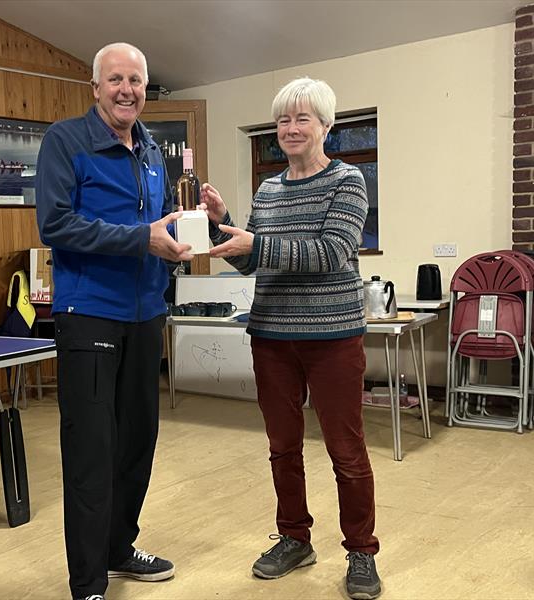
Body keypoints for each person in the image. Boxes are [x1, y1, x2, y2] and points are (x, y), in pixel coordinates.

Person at [201, 77, 381, 600]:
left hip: (332, 338)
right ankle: (294, 538)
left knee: (346, 451)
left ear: (326, 126)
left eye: (303, 118)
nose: (291, 128)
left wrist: (257, 241)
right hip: (273, 336)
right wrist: (222, 225)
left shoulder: (349, 181)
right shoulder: (269, 189)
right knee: (283, 447)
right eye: (283, 119)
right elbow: (252, 258)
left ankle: (361, 550)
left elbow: (331, 252)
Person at [35, 42, 191, 600]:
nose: (127, 90)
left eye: (137, 81)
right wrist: (140, 239)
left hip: (146, 315)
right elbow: (54, 225)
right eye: (116, 80)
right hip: (90, 317)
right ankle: (89, 584)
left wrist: (189, 231)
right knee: (91, 450)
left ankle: (119, 546)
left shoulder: (150, 149)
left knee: (136, 442)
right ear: (95, 86)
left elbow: (155, 227)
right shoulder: (65, 141)